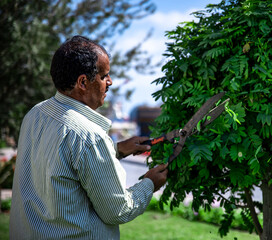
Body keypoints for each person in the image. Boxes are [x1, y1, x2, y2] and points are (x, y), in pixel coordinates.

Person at [9, 35, 168, 239]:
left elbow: (62, 165)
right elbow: (118, 210)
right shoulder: (89, 137)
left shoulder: (35, 114)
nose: (110, 82)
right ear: (83, 82)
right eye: (104, 76)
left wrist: (116, 150)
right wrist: (149, 183)